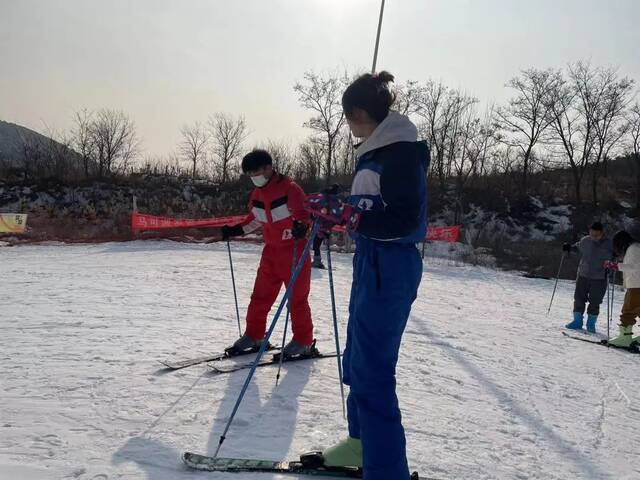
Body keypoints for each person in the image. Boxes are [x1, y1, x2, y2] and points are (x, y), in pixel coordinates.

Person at [319, 71, 429, 480]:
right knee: (358, 356)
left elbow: (404, 220)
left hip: (392, 263)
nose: (349, 126)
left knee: (374, 369)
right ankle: (360, 442)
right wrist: (337, 209)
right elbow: (370, 207)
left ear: (360, 113)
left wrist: (354, 219)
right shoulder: (375, 149)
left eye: (349, 118)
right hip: (372, 262)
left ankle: (386, 471)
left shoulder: (398, 152)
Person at [221, 149, 314, 358]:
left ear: (268, 168)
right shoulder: (257, 195)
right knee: (260, 297)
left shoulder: (290, 189)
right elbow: (253, 220)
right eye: (250, 174)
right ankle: (255, 335)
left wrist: (302, 227)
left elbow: (305, 215)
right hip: (270, 253)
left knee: (297, 299)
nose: (254, 177)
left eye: (256, 172)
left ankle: (303, 341)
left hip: (294, 251)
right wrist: (234, 230)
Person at [563, 222, 613, 333]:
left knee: (595, 301)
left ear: (602, 233)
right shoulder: (585, 240)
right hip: (583, 274)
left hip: (600, 277)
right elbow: (576, 248)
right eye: (591, 234)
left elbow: (617, 255)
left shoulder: (609, 243)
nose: (593, 237)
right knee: (579, 298)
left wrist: (613, 263)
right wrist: (569, 248)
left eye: (596, 235)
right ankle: (577, 321)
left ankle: (591, 324)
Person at [604, 230, 640, 347]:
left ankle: (625, 338)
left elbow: (633, 267)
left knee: (628, 310)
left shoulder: (633, 249)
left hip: (636, 285)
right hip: (637, 284)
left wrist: (614, 265)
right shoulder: (636, 247)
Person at [312, 184, 340, 269]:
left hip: (321, 225)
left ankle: (317, 261)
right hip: (325, 225)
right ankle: (317, 261)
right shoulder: (334, 200)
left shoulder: (326, 198)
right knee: (317, 243)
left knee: (316, 243)